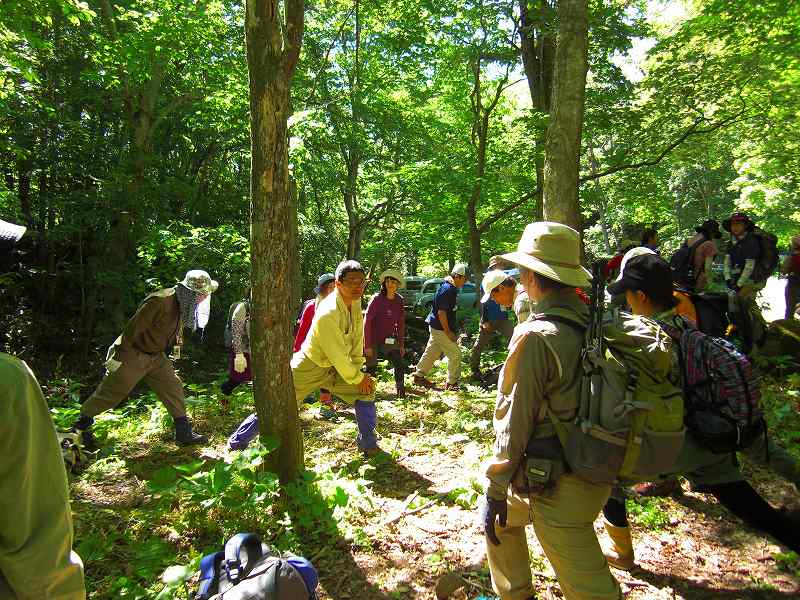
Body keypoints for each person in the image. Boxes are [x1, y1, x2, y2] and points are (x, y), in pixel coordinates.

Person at [599, 252, 800, 571]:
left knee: (605, 473)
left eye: (628, 293)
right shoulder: (687, 321)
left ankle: (621, 553)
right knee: (745, 501)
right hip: (712, 430)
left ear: (641, 296)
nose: (626, 300)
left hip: (681, 441)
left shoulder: (644, 337)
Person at [481, 222, 621, 600]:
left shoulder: (535, 336)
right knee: (503, 520)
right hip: (600, 464)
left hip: (559, 486)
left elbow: (514, 420)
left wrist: (495, 485)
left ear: (531, 276)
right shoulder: (596, 322)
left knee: (593, 593)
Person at [0, 218, 86, 599]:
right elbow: (37, 543)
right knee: (109, 394)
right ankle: (85, 421)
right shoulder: (8, 382)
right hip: (135, 355)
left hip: (153, 358)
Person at [229, 261, 380, 455]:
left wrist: (360, 372)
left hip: (338, 368)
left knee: (366, 391)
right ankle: (237, 442)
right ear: (338, 283)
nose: (358, 286)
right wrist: (358, 377)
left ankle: (368, 444)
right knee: (280, 401)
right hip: (310, 365)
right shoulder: (328, 312)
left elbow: (357, 339)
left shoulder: (355, 301)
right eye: (352, 281)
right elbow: (336, 354)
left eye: (361, 281)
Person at [72, 269, 217, 449]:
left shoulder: (185, 305)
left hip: (156, 356)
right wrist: (119, 355)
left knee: (172, 386)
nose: (204, 297)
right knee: (111, 392)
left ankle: (183, 432)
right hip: (132, 352)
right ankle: (79, 428)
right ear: (190, 292)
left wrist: (176, 350)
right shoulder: (161, 301)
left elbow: (178, 331)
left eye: (205, 294)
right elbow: (133, 328)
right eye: (202, 294)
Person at [412, 264, 468, 391]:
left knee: (432, 351)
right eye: (465, 279)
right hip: (440, 328)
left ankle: (418, 376)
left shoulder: (450, 287)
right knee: (455, 354)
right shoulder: (448, 290)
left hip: (436, 326)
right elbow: (441, 313)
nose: (465, 282)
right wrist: (448, 332)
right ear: (457, 276)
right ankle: (452, 382)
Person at [294, 273, 336, 410]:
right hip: (310, 349)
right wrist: (297, 350)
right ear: (322, 289)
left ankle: (326, 405)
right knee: (306, 377)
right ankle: (300, 402)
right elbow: (303, 331)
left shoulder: (338, 308)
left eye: (334, 287)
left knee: (328, 376)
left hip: (329, 350)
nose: (332, 290)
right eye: (329, 287)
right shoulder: (312, 307)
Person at [364, 269, 407, 398]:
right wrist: (367, 345)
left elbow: (400, 323)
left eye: (393, 282)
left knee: (398, 361)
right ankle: (368, 394)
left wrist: (401, 344)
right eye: (387, 281)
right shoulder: (376, 299)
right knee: (371, 367)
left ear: (397, 284)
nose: (390, 284)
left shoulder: (399, 300)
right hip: (372, 338)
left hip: (388, 338)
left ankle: (400, 391)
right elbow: (367, 321)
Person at [470, 270, 515, 381]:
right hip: (489, 320)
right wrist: (484, 320)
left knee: (514, 340)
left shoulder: (504, 281)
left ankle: (514, 367)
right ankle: (474, 370)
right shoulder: (487, 283)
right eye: (496, 265)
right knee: (479, 345)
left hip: (503, 318)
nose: (499, 266)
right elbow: (482, 303)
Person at [675, 219, 721, 292]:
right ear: (712, 232)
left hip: (683, 278)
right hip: (698, 282)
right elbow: (707, 268)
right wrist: (711, 284)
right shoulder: (709, 244)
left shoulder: (689, 240)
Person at [221, 289, 251, 397]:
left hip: (257, 351)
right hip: (242, 351)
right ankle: (223, 399)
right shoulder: (242, 308)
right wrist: (239, 355)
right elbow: (236, 333)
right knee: (236, 380)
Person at [782, 235, 800, 319]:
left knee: (790, 308)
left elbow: (784, 271)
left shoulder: (791, 257)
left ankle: (788, 324)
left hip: (793, 283)